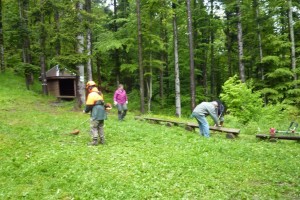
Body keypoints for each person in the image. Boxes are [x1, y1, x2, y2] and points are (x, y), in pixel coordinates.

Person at [83, 81, 107, 146]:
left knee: (94, 126)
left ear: (90, 87)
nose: (88, 89)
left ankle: (95, 141)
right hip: (102, 112)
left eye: (88, 88)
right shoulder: (100, 93)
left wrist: (85, 111)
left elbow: (89, 105)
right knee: (100, 126)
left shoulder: (91, 94)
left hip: (96, 112)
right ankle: (102, 140)